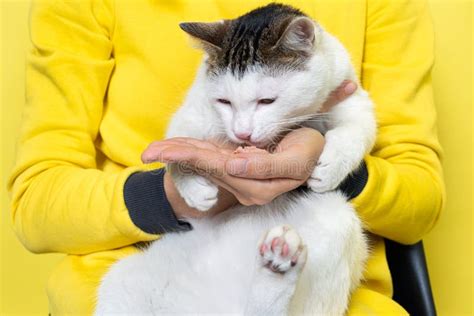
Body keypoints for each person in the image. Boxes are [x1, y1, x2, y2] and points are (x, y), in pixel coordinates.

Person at [8, 0, 444, 314]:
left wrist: (320, 163)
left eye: (265, 102)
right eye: (226, 105)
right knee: (124, 284)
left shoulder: (369, 21)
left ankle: (267, 295)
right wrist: (173, 194)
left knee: (337, 223)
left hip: (309, 275)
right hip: (177, 254)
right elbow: (35, 200)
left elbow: (421, 199)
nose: (242, 130)